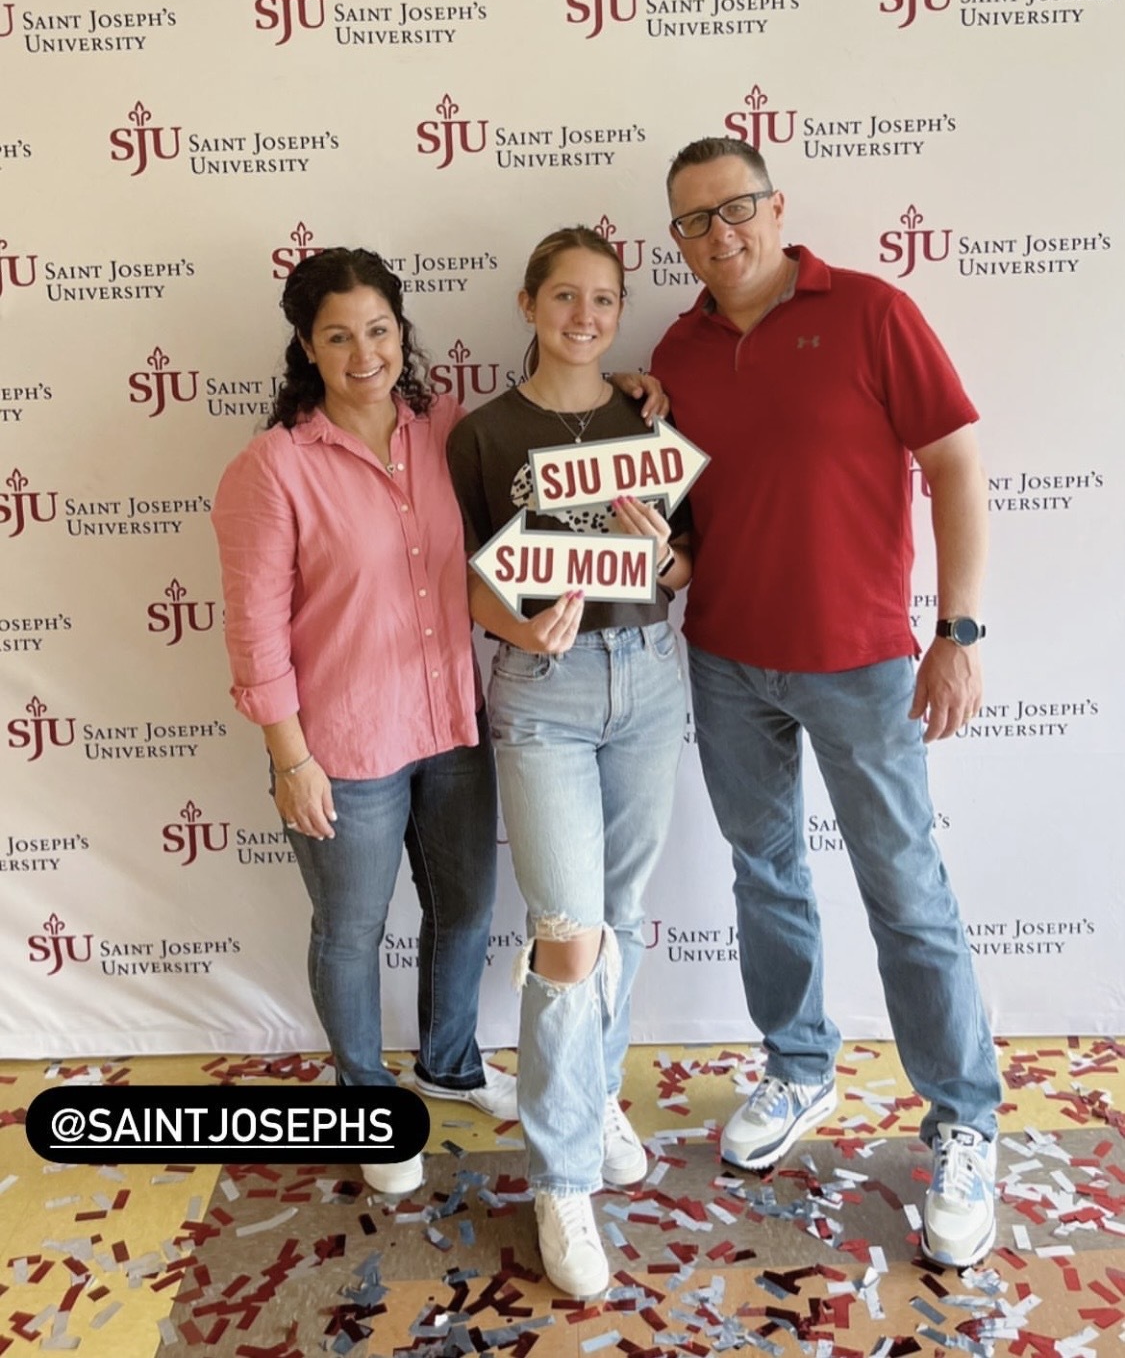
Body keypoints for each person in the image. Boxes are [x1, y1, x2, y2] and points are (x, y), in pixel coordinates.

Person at [650, 140, 1003, 1272]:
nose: (720, 235)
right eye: (694, 222)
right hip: (726, 660)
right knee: (766, 876)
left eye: (736, 208)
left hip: (860, 663)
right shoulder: (676, 350)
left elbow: (956, 464)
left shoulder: (869, 312)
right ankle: (798, 1065)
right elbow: (690, 518)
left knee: (905, 888)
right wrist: (655, 554)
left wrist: (957, 633)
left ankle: (962, 1119)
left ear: (776, 207)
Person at [211, 247, 517, 1199]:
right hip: (341, 747)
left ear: (401, 331)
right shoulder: (273, 467)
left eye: (378, 330)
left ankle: (450, 1064)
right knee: (350, 929)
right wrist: (289, 758)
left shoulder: (446, 430)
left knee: (465, 910)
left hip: (450, 726)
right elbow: (254, 628)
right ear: (306, 347)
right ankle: (365, 1102)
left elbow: (530, 467)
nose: (364, 353)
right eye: (338, 337)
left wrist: (629, 393)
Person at [446, 226, 691, 1300]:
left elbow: (683, 567)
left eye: (603, 299)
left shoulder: (648, 419)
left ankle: (591, 1105)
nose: (584, 316)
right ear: (528, 301)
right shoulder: (485, 432)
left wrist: (656, 543)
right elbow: (457, 579)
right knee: (566, 938)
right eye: (564, 297)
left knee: (621, 919)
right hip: (542, 692)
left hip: (649, 676)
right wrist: (519, 620)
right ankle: (558, 1179)